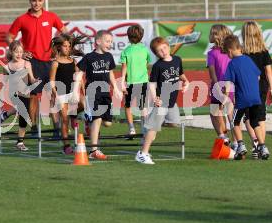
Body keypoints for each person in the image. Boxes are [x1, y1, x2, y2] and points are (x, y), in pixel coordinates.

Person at [8, 0, 67, 137]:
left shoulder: (51, 16)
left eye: (39, 0)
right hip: (31, 62)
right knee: (33, 96)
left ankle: (56, 129)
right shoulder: (22, 19)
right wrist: (20, 51)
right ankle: (34, 127)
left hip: (49, 62)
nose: (37, 3)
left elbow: (64, 31)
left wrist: (58, 48)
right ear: (30, 1)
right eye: (34, 0)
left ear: (43, 1)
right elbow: (9, 37)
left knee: (52, 93)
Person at [135, 37, 189, 165]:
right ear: (156, 54)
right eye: (159, 51)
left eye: (164, 48)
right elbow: (152, 84)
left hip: (172, 101)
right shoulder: (158, 66)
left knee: (174, 123)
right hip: (162, 101)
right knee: (153, 128)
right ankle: (143, 153)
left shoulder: (177, 60)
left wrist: (186, 81)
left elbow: (180, 73)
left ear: (168, 46)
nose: (163, 51)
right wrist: (155, 98)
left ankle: (151, 125)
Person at [74, 30, 122, 160]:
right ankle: (94, 150)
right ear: (98, 41)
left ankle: (87, 121)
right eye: (107, 41)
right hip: (92, 92)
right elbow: (79, 73)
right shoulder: (89, 57)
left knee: (107, 123)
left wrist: (116, 88)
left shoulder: (109, 57)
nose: (110, 43)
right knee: (98, 119)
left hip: (106, 93)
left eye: (111, 41)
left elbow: (110, 73)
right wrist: (75, 90)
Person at [222, 34, 269, 160]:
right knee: (255, 122)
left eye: (227, 53)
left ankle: (241, 146)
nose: (227, 55)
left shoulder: (232, 64)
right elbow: (258, 76)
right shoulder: (249, 60)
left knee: (234, 121)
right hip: (256, 98)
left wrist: (224, 98)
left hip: (242, 99)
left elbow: (227, 84)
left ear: (230, 51)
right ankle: (263, 147)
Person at [240, 21, 272, 159]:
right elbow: (269, 72)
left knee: (248, 117)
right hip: (262, 87)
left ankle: (256, 144)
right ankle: (262, 146)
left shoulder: (242, 52)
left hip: (247, 87)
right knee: (260, 117)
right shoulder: (264, 51)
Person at [0, 40, 40, 151]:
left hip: (25, 92)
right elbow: (5, 82)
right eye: (16, 52)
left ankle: (5, 115)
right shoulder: (7, 67)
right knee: (23, 112)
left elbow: (31, 78)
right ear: (11, 52)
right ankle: (20, 142)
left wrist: (35, 81)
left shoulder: (26, 64)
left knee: (24, 114)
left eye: (21, 52)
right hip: (14, 93)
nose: (19, 54)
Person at [49, 34, 85, 155]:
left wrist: (83, 90)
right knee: (64, 120)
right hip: (61, 95)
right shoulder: (55, 63)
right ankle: (66, 146)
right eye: (65, 46)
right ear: (59, 47)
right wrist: (56, 96)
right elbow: (52, 81)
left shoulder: (73, 61)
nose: (67, 48)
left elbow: (78, 77)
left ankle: (74, 117)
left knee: (81, 107)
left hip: (72, 94)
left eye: (69, 46)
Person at [120, 24, 151, 135]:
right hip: (143, 82)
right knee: (143, 106)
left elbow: (124, 67)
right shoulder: (145, 50)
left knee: (128, 106)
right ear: (141, 36)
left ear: (128, 37)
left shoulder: (126, 51)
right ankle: (145, 128)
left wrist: (122, 81)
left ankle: (132, 128)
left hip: (130, 82)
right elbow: (147, 64)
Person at [206, 24, 233, 141]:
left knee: (215, 112)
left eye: (213, 33)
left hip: (219, 85)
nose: (210, 35)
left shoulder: (211, 53)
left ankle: (223, 137)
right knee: (230, 114)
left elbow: (212, 73)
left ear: (217, 36)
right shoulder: (231, 52)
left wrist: (215, 87)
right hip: (232, 85)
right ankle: (237, 141)